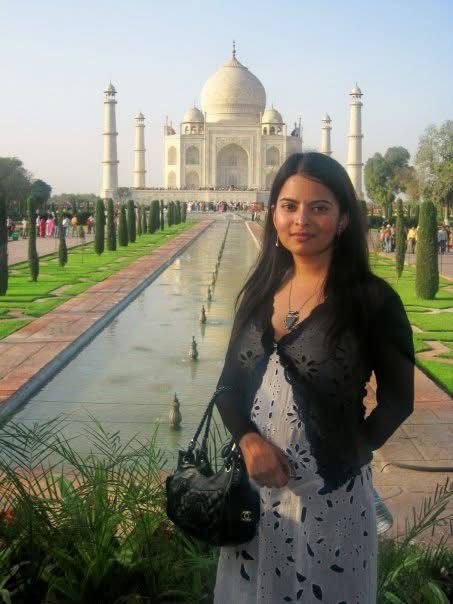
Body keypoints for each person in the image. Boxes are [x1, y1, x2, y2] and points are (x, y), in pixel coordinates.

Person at [213, 152, 414, 604]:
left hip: (333, 501)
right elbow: (228, 387)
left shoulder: (371, 300)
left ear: (343, 219)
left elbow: (399, 401)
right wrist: (249, 441)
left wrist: (346, 455)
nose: (301, 220)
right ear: (274, 214)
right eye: (289, 206)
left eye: (319, 207)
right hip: (255, 499)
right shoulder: (259, 291)